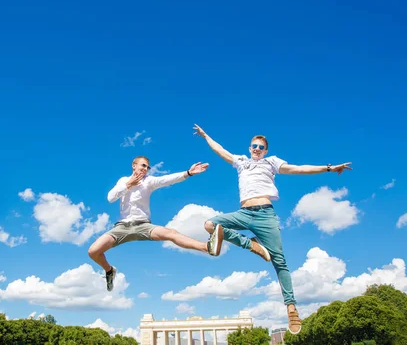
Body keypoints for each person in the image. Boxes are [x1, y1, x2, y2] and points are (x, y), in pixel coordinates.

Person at [193, 124, 352, 335]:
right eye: (254, 146)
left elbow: (299, 168)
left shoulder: (271, 162)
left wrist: (329, 168)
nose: (257, 149)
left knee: (279, 260)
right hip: (243, 213)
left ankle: (292, 308)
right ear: (249, 148)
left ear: (265, 150)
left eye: (260, 147)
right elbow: (220, 150)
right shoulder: (241, 162)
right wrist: (205, 136)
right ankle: (251, 244)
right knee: (210, 225)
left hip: (265, 214)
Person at [88, 155, 224, 291]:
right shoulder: (123, 180)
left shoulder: (149, 181)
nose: (145, 169)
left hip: (143, 225)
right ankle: (109, 271)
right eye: (143, 165)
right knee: (93, 251)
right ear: (134, 165)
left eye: (147, 167)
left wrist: (187, 173)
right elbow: (111, 198)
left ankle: (208, 247)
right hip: (122, 227)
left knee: (171, 233)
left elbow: (167, 180)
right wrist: (129, 184)